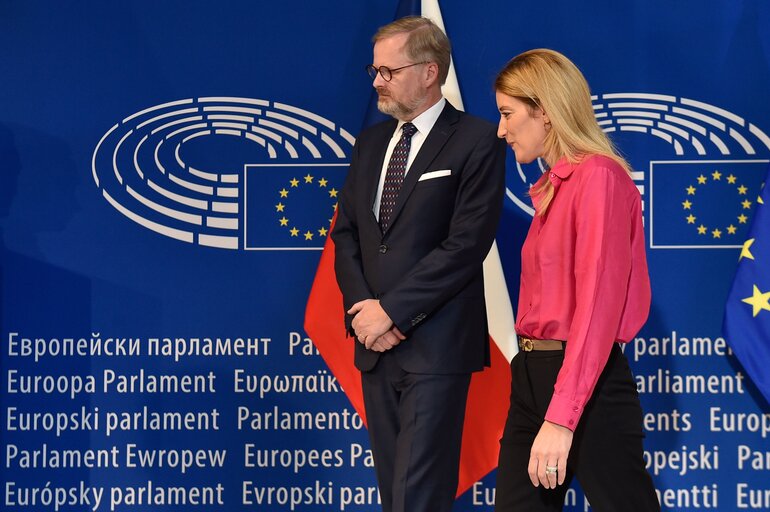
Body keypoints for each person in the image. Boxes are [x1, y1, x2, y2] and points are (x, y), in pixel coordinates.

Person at [331, 15, 506, 512]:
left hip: (436, 345)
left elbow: (466, 245)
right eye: (375, 71)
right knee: (396, 494)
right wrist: (365, 307)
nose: (378, 82)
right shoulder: (369, 145)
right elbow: (347, 236)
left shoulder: (476, 139)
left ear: (430, 72)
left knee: (418, 494)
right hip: (374, 344)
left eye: (389, 71)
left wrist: (393, 312)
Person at [493, 49, 660, 512]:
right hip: (531, 376)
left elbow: (595, 309)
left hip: (586, 384)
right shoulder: (553, 186)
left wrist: (564, 418)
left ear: (544, 110)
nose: (501, 130)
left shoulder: (599, 178)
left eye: (508, 113)